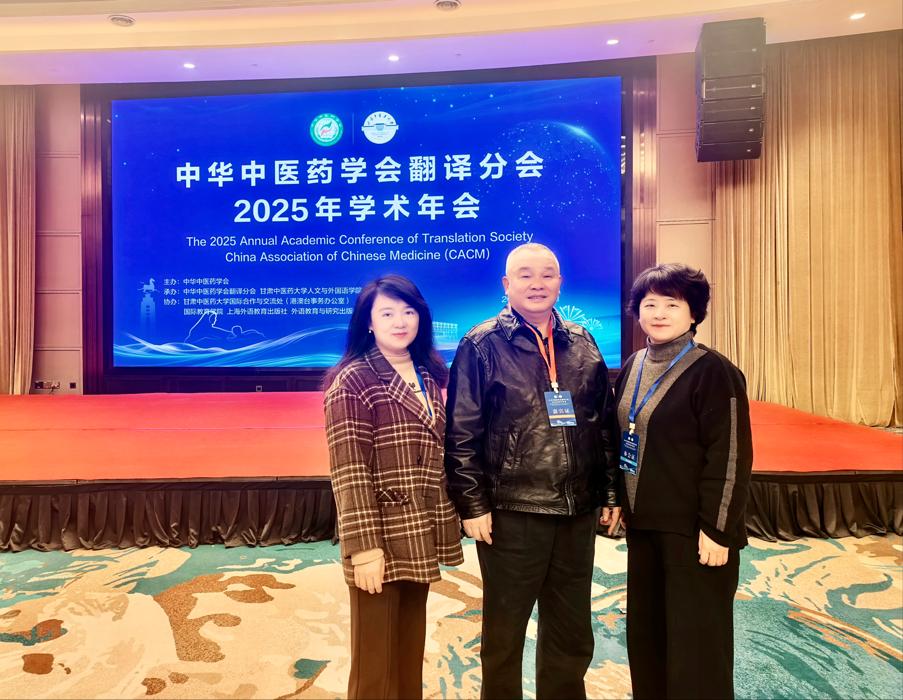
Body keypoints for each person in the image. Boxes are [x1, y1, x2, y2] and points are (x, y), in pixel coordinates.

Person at [444, 242, 620, 699]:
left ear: (560, 283)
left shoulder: (582, 341)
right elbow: (461, 432)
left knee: (571, 630)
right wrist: (472, 505)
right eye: (525, 274)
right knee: (505, 632)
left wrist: (609, 493)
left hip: (576, 511)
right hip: (512, 511)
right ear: (507, 284)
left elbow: (603, 424)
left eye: (547, 274)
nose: (537, 283)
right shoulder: (481, 345)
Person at [615, 263, 753, 699]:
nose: (658, 313)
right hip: (645, 528)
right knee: (648, 636)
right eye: (650, 304)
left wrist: (717, 528)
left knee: (696, 644)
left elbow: (730, 455)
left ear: (694, 313)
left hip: (695, 533)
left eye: (672, 304)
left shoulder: (714, 371)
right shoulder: (634, 364)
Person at [323, 274, 464, 700]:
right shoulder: (353, 380)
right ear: (368, 322)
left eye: (408, 311)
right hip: (379, 535)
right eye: (386, 313)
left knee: (407, 647)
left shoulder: (426, 373)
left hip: (419, 528)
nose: (400, 322)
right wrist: (364, 548)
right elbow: (349, 470)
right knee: (375, 663)